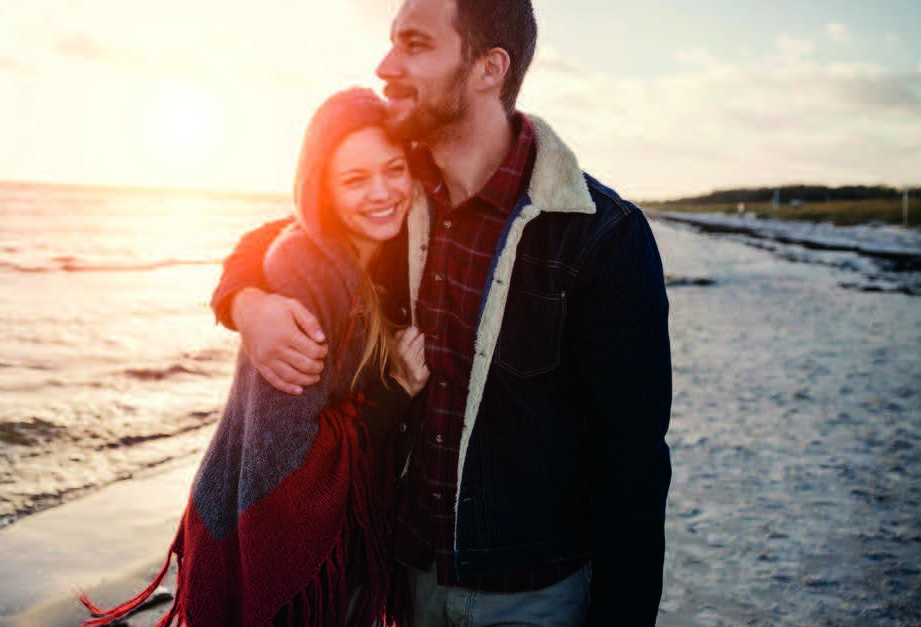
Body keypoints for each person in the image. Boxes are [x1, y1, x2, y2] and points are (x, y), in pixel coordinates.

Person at [211, 0, 673, 625]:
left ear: (489, 67)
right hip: (403, 587)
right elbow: (291, 231)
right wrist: (247, 302)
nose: (385, 64)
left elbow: (633, 457)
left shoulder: (600, 235)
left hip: (533, 598)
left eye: (414, 45)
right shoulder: (396, 200)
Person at [81, 88, 430, 626]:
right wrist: (395, 390)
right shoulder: (307, 269)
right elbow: (287, 458)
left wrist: (241, 298)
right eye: (355, 179)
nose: (382, 192)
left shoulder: (390, 249)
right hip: (284, 555)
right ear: (323, 191)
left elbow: (256, 238)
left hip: (354, 542)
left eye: (395, 169)